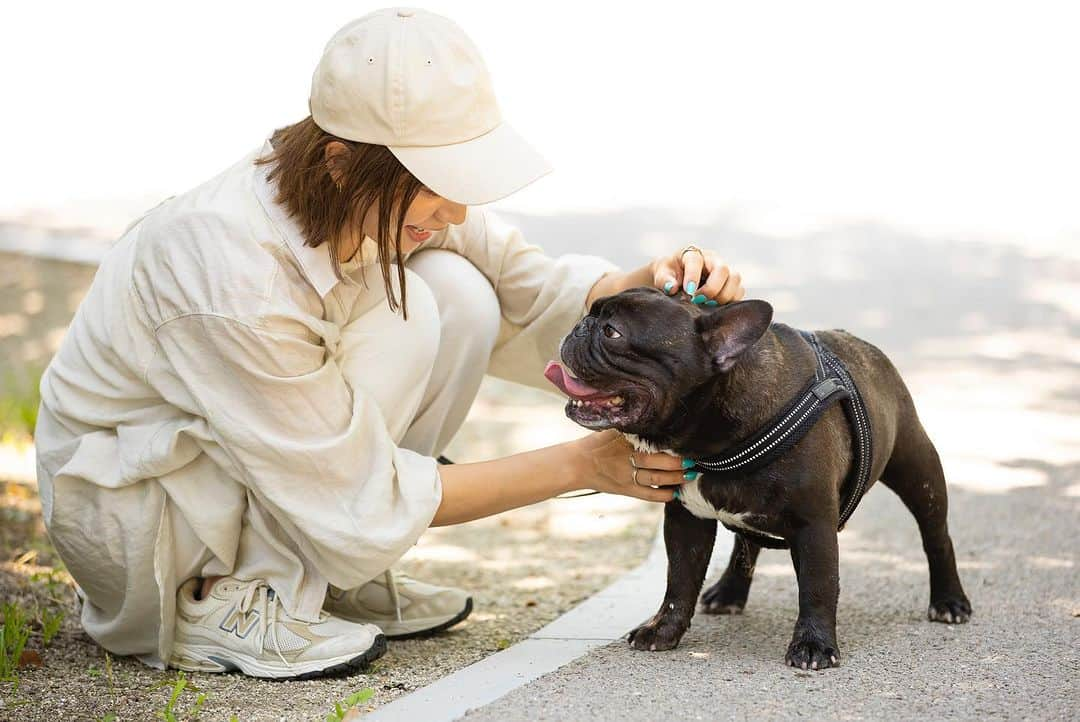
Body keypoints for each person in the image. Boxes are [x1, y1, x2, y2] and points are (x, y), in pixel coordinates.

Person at [34, 7, 745, 680]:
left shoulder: (366, 189)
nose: (459, 208)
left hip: (249, 471)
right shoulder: (232, 273)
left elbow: (531, 293)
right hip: (148, 515)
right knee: (404, 314)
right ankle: (232, 600)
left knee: (459, 291)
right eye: (441, 183)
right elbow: (358, 490)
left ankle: (331, 575)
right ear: (342, 162)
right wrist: (583, 464)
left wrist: (653, 284)